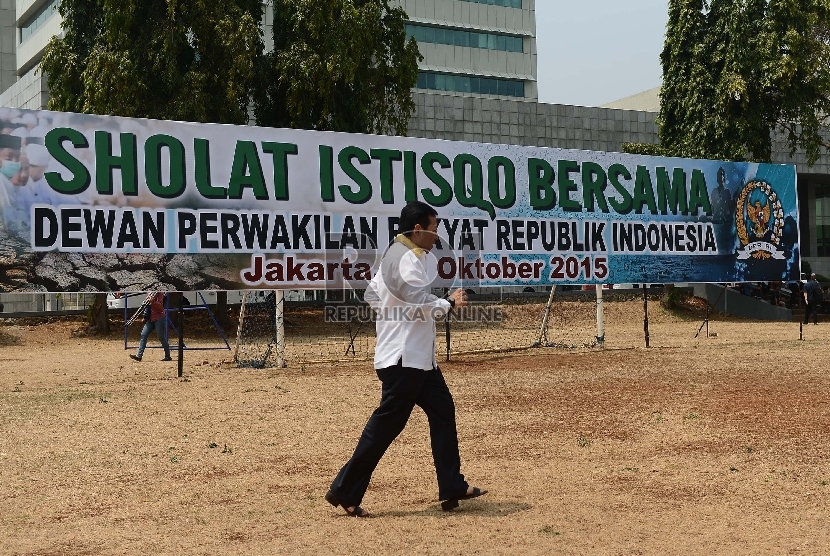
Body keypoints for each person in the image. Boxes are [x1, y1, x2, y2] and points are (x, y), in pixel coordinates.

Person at [326, 201, 487, 518]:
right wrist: (449, 303)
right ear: (418, 229)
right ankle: (344, 490)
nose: (437, 234)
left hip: (418, 360)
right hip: (404, 361)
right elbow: (418, 306)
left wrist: (393, 315)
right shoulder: (406, 260)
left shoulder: (400, 256)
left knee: (442, 411)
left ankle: (452, 485)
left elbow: (372, 295)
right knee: (385, 427)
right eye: (434, 227)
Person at [130, 292, 172, 361]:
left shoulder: (160, 293)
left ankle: (168, 356)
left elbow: (160, 307)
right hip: (150, 318)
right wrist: (145, 317)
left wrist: (153, 302)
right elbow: (148, 306)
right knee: (143, 334)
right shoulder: (149, 292)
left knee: (161, 337)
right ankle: (139, 355)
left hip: (159, 318)